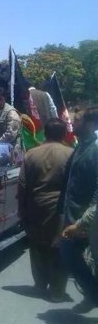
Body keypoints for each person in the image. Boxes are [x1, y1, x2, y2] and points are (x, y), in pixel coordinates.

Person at [17, 118, 73, 301]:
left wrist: (21, 210)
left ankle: (40, 284)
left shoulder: (31, 154)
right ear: (63, 134)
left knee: (37, 247)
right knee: (59, 250)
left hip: (36, 207)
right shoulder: (70, 154)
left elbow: (22, 185)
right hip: (62, 210)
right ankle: (57, 291)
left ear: (45, 133)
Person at [58, 106, 98, 313]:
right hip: (74, 214)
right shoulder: (80, 145)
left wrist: (85, 221)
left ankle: (93, 295)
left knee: (69, 251)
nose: (72, 123)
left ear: (90, 124)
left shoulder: (95, 149)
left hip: (88, 218)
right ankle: (92, 295)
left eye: (77, 120)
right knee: (70, 252)